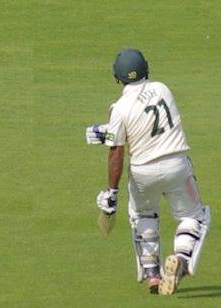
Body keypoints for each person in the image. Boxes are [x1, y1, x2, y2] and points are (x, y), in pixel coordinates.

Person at [85, 48, 211, 295]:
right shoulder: (163, 89)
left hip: (143, 173)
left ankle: (152, 274)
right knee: (193, 216)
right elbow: (151, 123)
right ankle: (181, 258)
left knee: (143, 215)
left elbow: (117, 152)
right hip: (176, 165)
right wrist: (108, 132)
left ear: (116, 78)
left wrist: (111, 192)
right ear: (146, 68)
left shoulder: (119, 109)